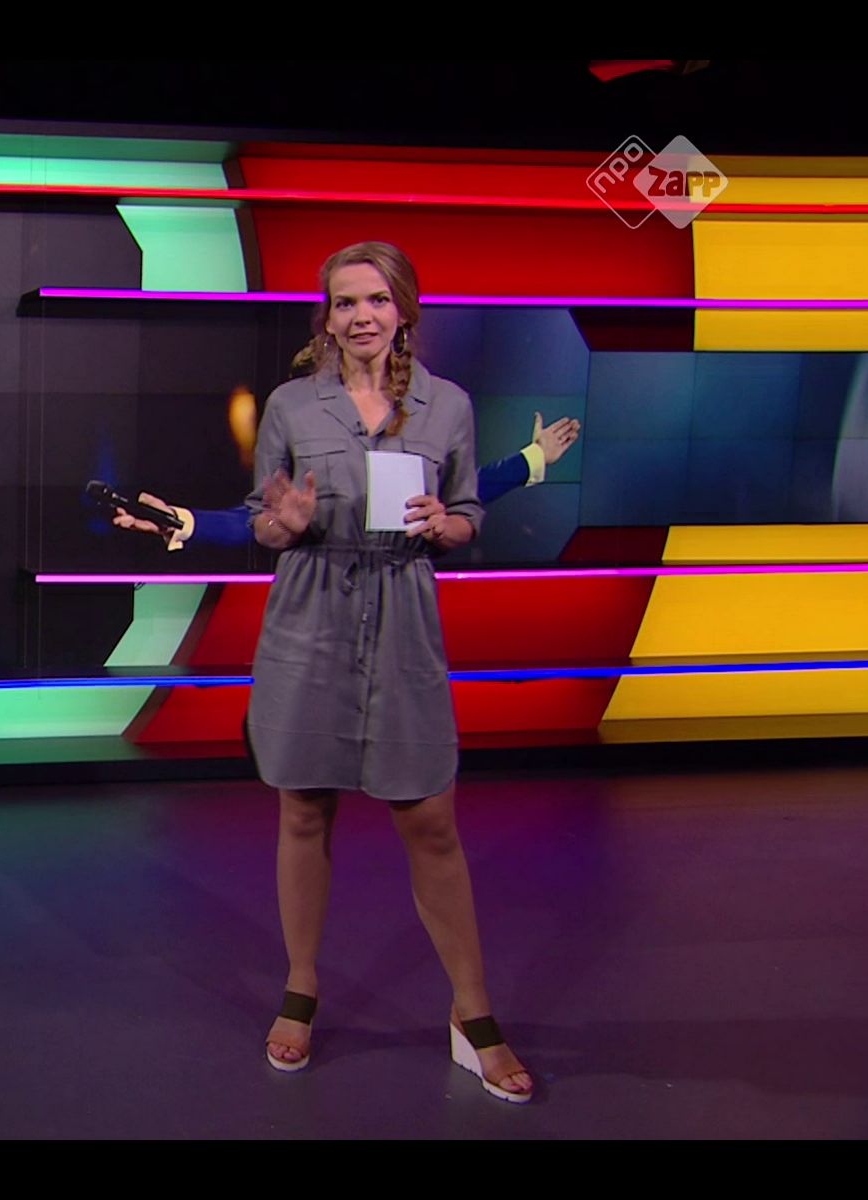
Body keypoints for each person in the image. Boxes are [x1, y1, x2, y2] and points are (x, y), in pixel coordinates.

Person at [114, 241, 535, 1103]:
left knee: (432, 820)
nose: (362, 316)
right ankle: (301, 991)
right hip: (308, 619)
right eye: (345, 302)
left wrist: (448, 526)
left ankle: (473, 1014)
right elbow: (261, 523)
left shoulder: (448, 406)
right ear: (328, 317)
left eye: (376, 299)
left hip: (404, 619)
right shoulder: (291, 406)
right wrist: (284, 521)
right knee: (304, 810)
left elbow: (467, 516)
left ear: (403, 309)